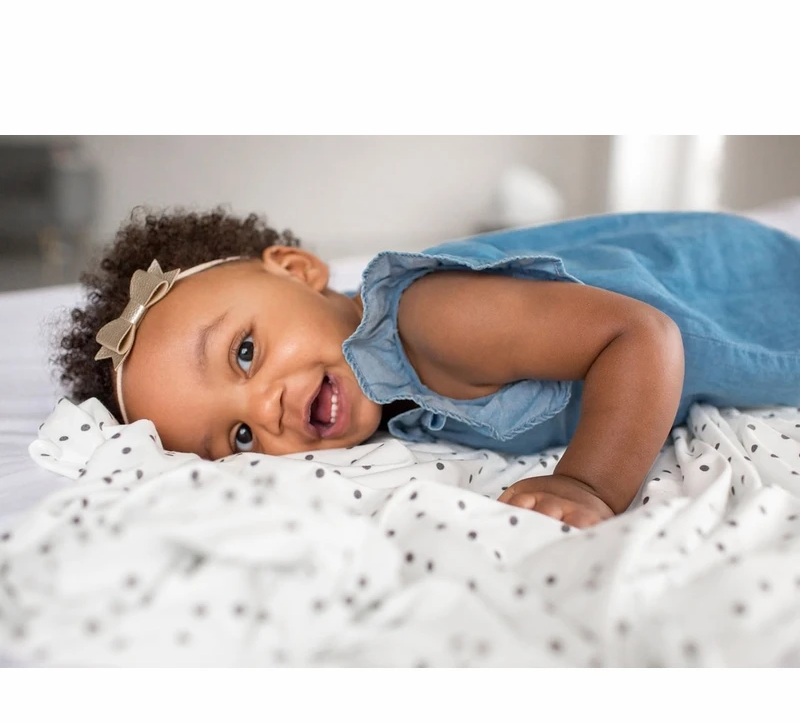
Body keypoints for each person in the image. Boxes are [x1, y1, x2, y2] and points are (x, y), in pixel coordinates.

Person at [56, 208, 800, 528]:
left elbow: (642, 336)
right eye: (240, 438)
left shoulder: (428, 317)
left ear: (299, 269)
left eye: (245, 352)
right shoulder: (387, 387)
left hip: (743, 293)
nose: (265, 409)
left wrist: (587, 484)